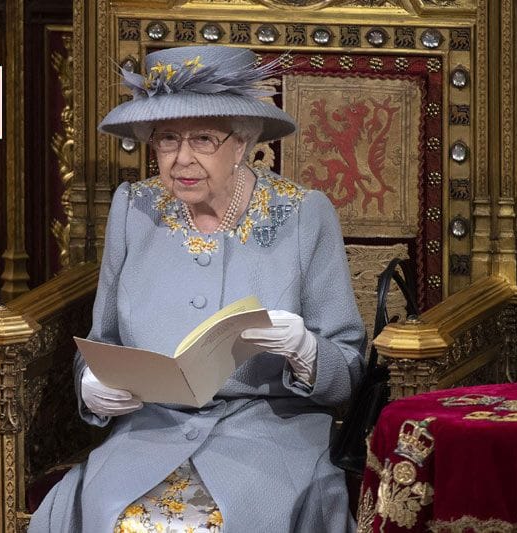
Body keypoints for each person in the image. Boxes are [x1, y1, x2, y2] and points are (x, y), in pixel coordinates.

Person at [30, 44, 365, 533]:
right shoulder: (133, 208)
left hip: (269, 436)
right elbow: (101, 342)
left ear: (243, 142)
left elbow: (348, 368)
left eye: (203, 139)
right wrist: (92, 387)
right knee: (113, 518)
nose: (181, 159)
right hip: (149, 432)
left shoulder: (303, 213)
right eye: (167, 139)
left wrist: (306, 351)